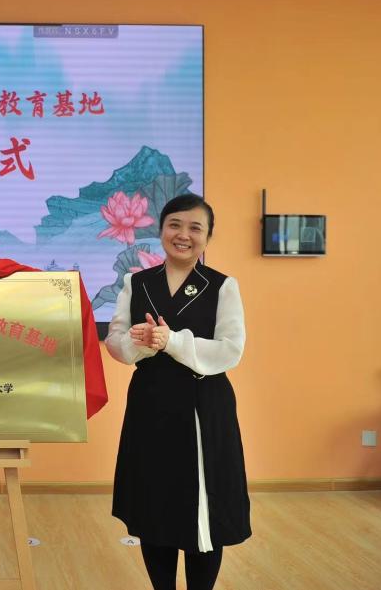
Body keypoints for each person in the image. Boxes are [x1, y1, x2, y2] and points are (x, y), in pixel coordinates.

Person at [106, 193, 249, 590]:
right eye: (175, 225)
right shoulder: (136, 282)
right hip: (150, 405)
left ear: (208, 237)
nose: (183, 235)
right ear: (161, 229)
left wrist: (172, 341)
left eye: (195, 228)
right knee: (154, 507)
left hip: (205, 408)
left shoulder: (222, 286)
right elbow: (116, 341)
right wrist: (138, 342)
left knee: (204, 512)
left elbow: (230, 350)